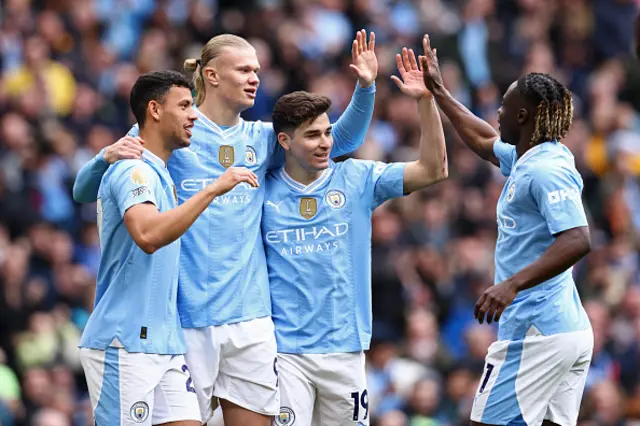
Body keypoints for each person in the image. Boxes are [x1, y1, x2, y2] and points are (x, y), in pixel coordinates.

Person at [72, 31, 378, 426]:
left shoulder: (262, 138)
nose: (255, 78)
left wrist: (366, 87)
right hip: (186, 318)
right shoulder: (174, 129)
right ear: (212, 75)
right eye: (245, 69)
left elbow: (341, 140)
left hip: (251, 318)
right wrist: (103, 157)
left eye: (258, 71)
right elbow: (84, 189)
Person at [263, 44, 447, 426]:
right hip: (283, 353)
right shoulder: (259, 191)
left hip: (344, 351)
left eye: (328, 133)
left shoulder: (357, 178)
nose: (326, 143)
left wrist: (426, 102)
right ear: (285, 142)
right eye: (312, 136)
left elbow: (433, 169)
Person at [420, 35, 594, 426]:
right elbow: (483, 141)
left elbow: (578, 238)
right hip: (562, 332)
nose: (497, 111)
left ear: (522, 117)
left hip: (537, 333)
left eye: (504, 105)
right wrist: (441, 92)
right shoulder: (528, 156)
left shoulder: (547, 170)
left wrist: (510, 284)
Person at [78, 70, 258, 426]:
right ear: (155, 110)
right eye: (185, 105)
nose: (194, 115)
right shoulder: (134, 169)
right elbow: (146, 235)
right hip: (124, 343)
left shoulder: (158, 168)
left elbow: (83, 191)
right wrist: (212, 190)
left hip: (166, 344)